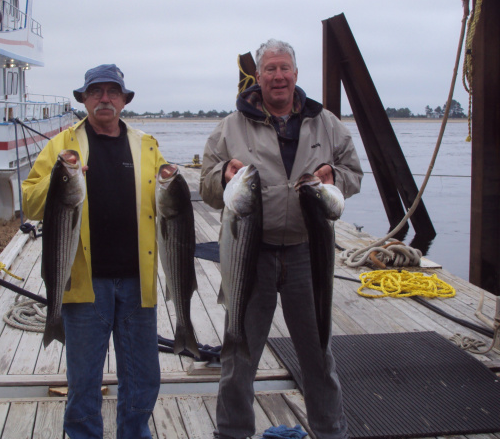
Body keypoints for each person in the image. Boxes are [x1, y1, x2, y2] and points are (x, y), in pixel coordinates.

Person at [200, 39, 363, 439]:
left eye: (284, 68)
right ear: (258, 76)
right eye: (270, 69)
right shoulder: (230, 126)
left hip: (308, 254)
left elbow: (353, 172)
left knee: (318, 353)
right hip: (249, 255)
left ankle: (331, 432)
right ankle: (233, 432)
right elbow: (205, 186)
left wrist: (333, 178)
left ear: (296, 74)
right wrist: (222, 175)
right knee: (239, 353)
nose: (278, 76)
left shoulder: (325, 122)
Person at [22, 64, 165, 439]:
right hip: (84, 282)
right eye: (96, 92)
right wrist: (58, 175)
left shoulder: (146, 145)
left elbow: (169, 196)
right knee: (83, 379)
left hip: (138, 282)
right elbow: (30, 204)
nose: (104, 99)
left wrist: (175, 179)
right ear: (84, 99)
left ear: (124, 99)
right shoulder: (61, 145)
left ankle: (135, 433)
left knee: (143, 376)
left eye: (112, 92)